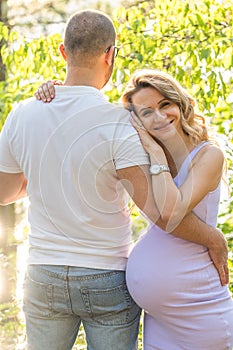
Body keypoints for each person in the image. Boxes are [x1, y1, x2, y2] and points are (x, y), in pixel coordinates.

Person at [0, 9, 229, 350]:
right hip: (104, 275)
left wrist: (50, 167)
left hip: (43, 271)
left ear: (63, 52)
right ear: (111, 55)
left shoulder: (22, 113)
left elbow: (5, 193)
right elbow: (159, 212)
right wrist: (214, 238)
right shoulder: (119, 124)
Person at [121, 69, 233, 349]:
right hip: (158, 319)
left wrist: (156, 154)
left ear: (180, 104)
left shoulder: (209, 155)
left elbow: (172, 213)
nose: (159, 117)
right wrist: (54, 89)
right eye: (146, 113)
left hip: (201, 310)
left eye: (164, 105)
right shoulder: (141, 157)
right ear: (138, 122)